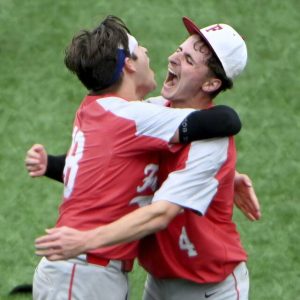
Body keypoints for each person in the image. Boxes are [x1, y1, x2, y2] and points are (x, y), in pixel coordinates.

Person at [27, 16, 260, 300]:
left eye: (187, 59)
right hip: (152, 281)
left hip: (210, 288)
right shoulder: (148, 113)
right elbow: (108, 163)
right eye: (179, 49)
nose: (172, 58)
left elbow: (162, 212)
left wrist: (225, 173)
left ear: (211, 83)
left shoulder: (208, 141)